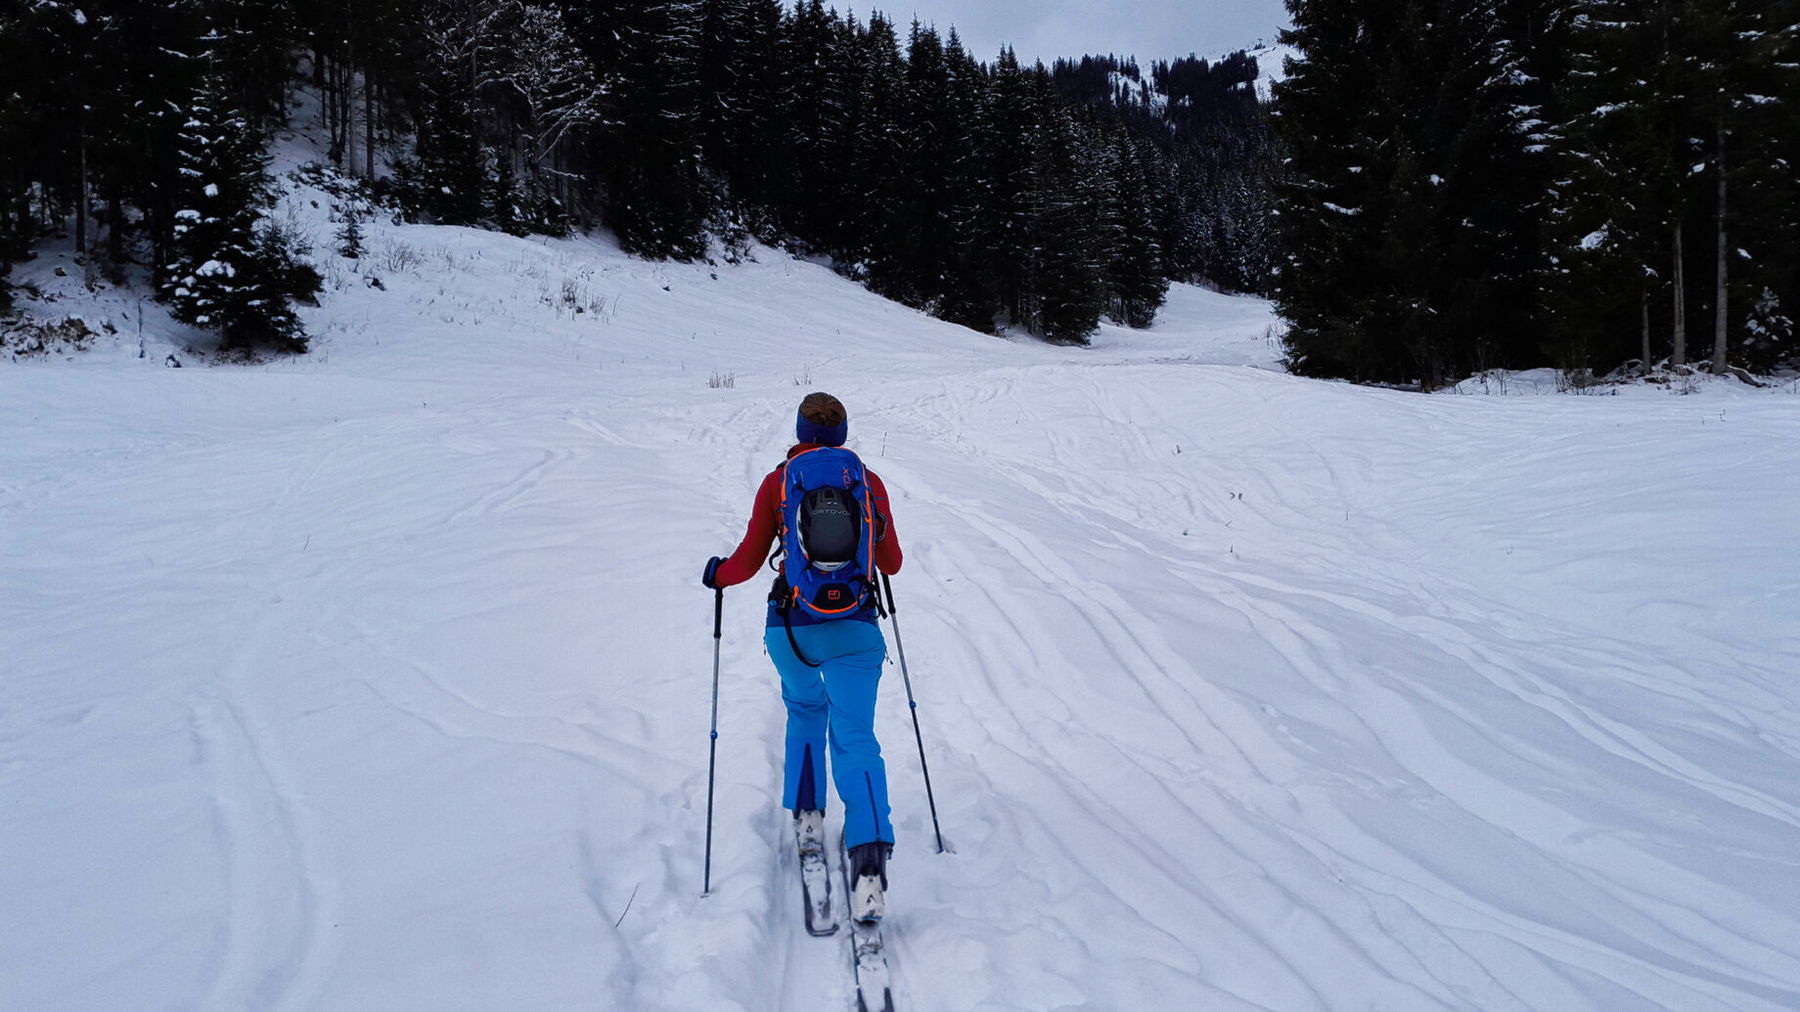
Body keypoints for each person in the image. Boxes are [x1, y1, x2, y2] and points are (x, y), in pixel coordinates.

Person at [702, 392, 904, 916]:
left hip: (792, 628)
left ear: (798, 429)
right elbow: (893, 563)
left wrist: (715, 574)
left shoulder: (779, 482)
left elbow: (747, 562)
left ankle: (810, 817)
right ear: (842, 433)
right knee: (856, 735)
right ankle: (869, 864)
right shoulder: (865, 481)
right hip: (855, 630)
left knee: (805, 711)